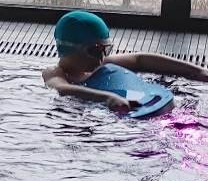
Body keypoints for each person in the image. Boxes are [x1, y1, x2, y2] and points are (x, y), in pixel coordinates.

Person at [44, 10, 208, 114]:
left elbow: (140, 60)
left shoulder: (104, 64)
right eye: (94, 50)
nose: (101, 57)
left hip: (134, 106)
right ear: (69, 49)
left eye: (106, 49)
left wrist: (198, 71)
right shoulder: (55, 73)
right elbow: (62, 88)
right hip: (86, 118)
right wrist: (107, 98)